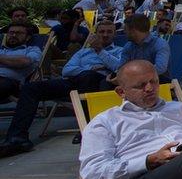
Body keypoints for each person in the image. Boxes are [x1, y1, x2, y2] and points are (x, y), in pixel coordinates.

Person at [0, 20, 122, 156]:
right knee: (30, 88)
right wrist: (91, 67)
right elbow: (67, 70)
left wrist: (100, 52)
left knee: (89, 76)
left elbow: (118, 68)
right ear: (95, 34)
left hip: (98, 84)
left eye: (109, 32)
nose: (105, 35)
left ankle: (86, 129)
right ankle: (17, 138)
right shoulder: (83, 52)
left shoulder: (120, 51)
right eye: (101, 31)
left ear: (115, 34)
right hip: (72, 82)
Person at [118, 14, 171, 82]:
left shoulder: (160, 44)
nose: (124, 32)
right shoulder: (128, 46)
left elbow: (160, 68)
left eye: (126, 29)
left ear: (133, 30)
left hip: (157, 81)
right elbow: (121, 67)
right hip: (134, 81)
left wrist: (134, 76)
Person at [0, 22, 43, 103]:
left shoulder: (32, 50)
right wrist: (10, 61)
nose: (14, 35)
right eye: (11, 32)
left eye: (19, 33)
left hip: (10, 83)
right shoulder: (1, 50)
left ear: (28, 37)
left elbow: (23, 62)